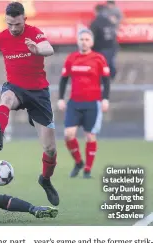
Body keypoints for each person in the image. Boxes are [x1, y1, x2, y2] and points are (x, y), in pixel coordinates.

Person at [0, 2, 59, 206]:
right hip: (15, 88)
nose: (14, 28)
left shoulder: (34, 33)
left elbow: (48, 48)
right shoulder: (1, 36)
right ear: (6, 21)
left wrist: (37, 49)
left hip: (39, 94)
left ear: (24, 19)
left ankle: (45, 179)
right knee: (6, 98)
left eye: (17, 24)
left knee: (50, 149)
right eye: (10, 24)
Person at [57, 29, 111, 179]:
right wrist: (61, 98)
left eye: (87, 39)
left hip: (93, 103)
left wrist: (105, 99)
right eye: (82, 39)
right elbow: (64, 79)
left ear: (92, 42)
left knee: (90, 136)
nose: (84, 42)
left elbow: (106, 81)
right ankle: (79, 162)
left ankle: (87, 169)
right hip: (74, 103)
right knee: (68, 135)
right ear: (78, 41)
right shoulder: (71, 58)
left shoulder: (99, 58)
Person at [90, 4, 118, 80]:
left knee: (102, 65)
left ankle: (103, 79)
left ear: (96, 11)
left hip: (101, 48)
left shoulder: (95, 22)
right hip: (112, 46)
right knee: (110, 63)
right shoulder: (110, 21)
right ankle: (112, 75)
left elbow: (92, 36)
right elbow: (115, 34)